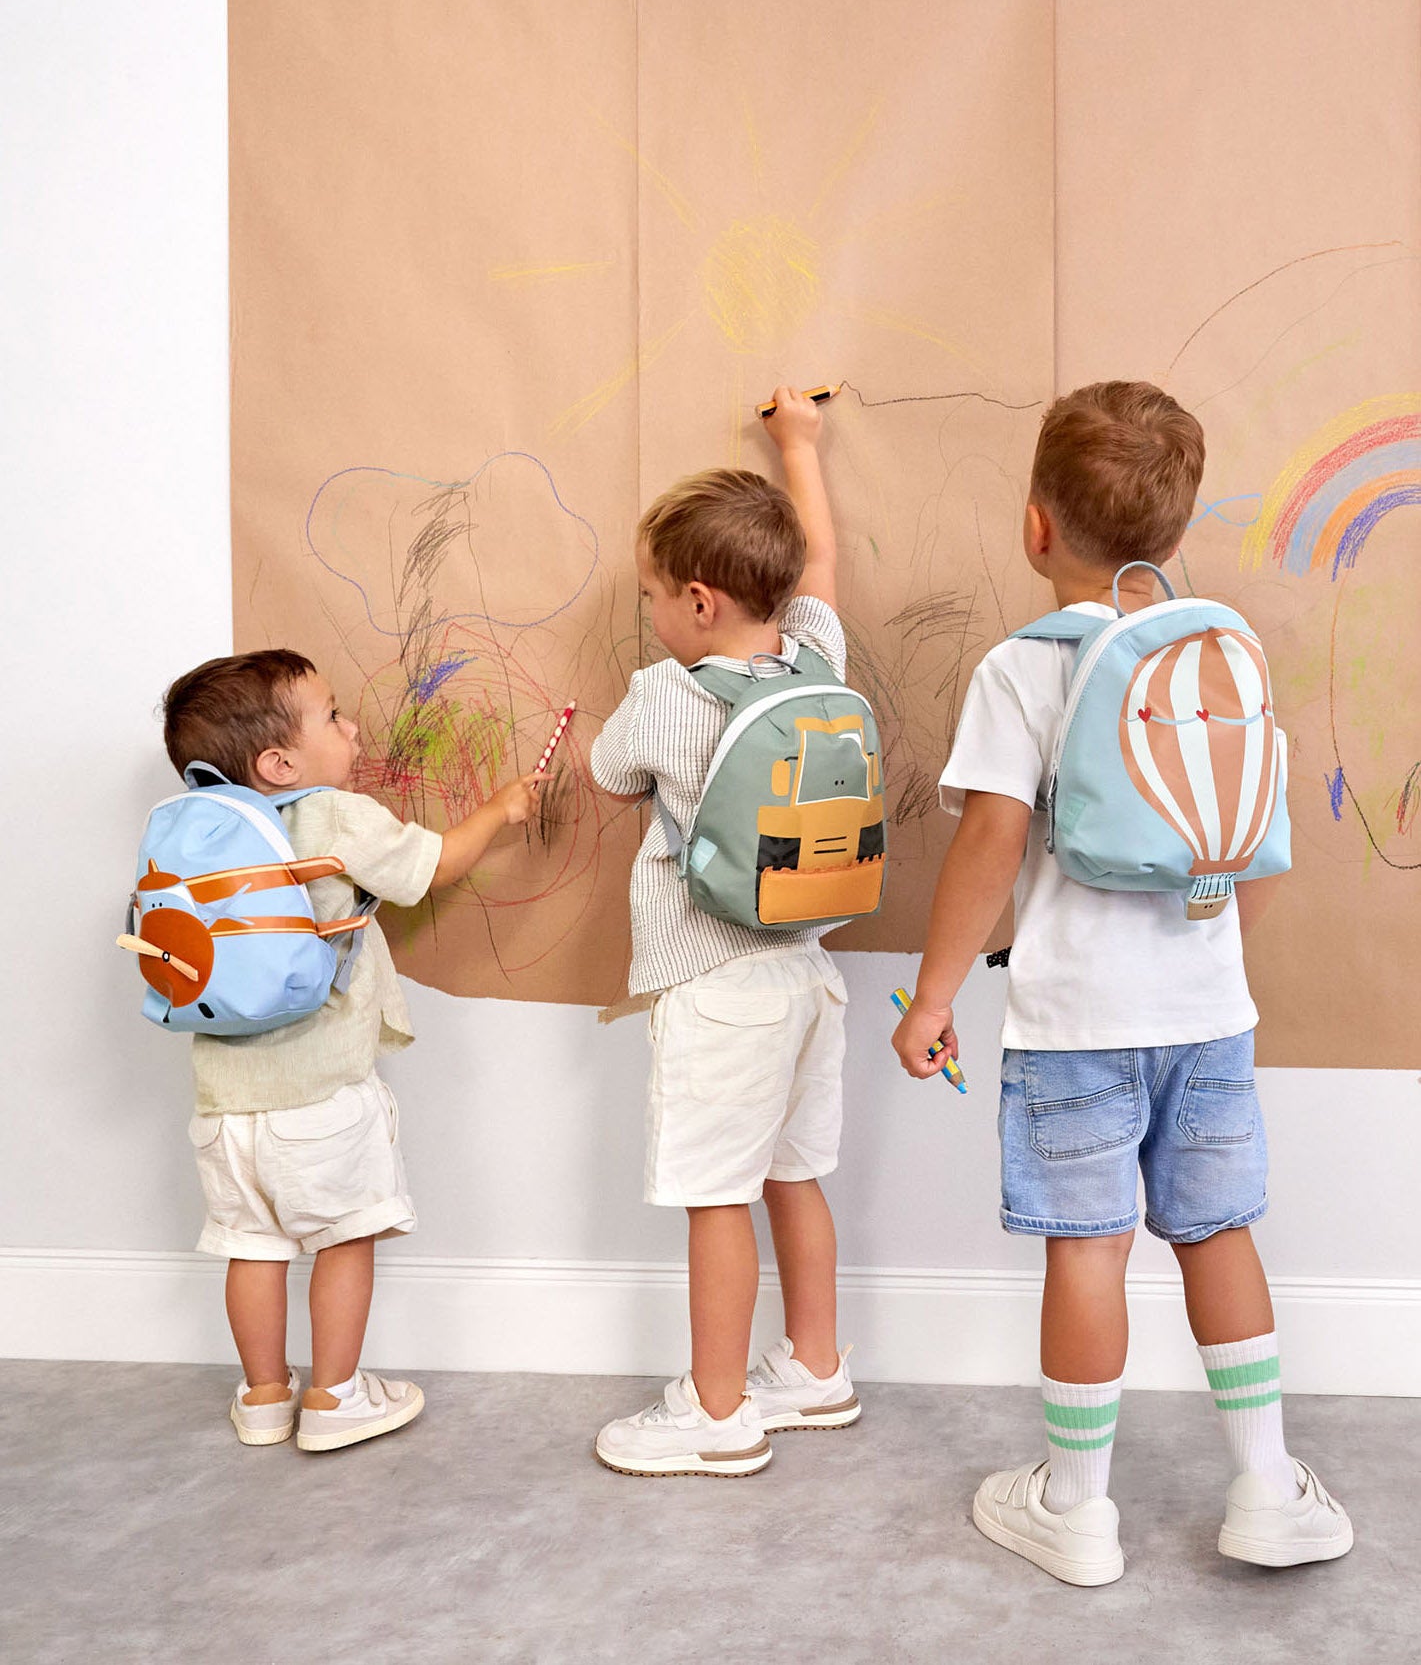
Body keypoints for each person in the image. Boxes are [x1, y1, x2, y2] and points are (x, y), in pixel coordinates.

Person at [893, 381, 1352, 1582]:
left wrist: (936, 994)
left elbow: (990, 842)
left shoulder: (1021, 668)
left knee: (1087, 1248)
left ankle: (1076, 1505)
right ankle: (1264, 1484)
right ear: (1174, 528)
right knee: (1216, 1231)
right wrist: (1213, 953)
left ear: (1034, 525)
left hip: (1073, 1024)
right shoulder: (1217, 653)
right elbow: (1257, 841)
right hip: (1207, 1015)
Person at [160, 649, 541, 1449]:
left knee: (251, 1246)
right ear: (280, 762)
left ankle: (265, 1397)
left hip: (223, 1106)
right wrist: (501, 811)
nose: (355, 726)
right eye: (333, 714)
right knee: (343, 1239)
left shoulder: (195, 833)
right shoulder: (332, 815)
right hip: (321, 1094)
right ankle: (335, 1398)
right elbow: (431, 867)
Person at [589, 387, 860, 1476]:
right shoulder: (818, 655)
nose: (648, 611)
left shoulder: (662, 690)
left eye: (652, 593)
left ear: (697, 602)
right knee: (795, 1176)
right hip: (806, 974)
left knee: (716, 1197)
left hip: (712, 984)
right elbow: (822, 566)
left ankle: (713, 1413)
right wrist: (800, 446)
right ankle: (813, 1365)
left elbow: (611, 774)